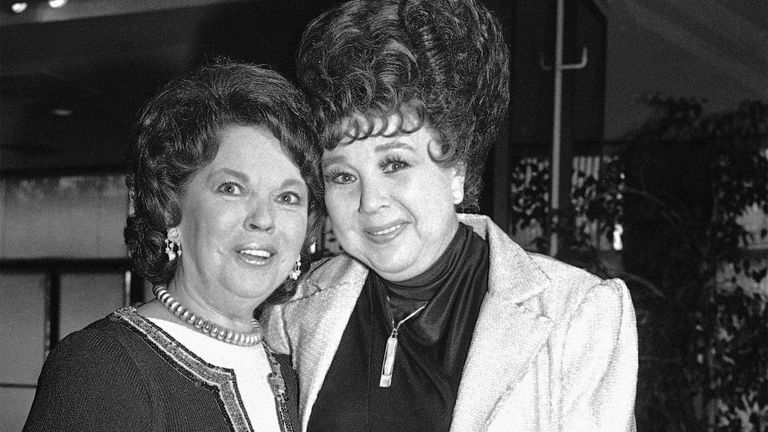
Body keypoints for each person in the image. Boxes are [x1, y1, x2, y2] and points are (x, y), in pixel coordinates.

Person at [261, 0, 638, 431]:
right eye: (343, 176)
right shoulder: (294, 307)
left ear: (455, 169)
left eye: (395, 164)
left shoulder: (578, 313)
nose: (370, 202)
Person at [24, 62, 323, 432]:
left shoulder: (291, 377)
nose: (263, 218)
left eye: (288, 197)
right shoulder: (104, 367)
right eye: (231, 188)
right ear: (171, 211)